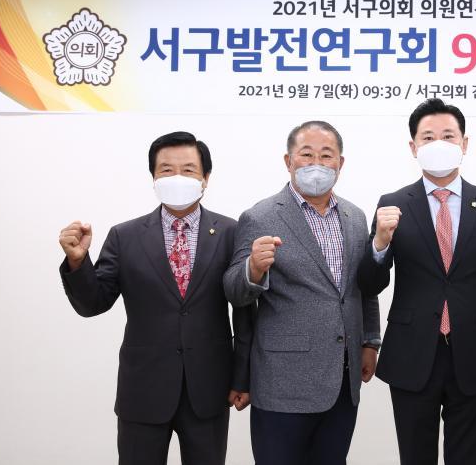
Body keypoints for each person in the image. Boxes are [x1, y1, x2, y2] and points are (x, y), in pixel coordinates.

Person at [58, 131, 253, 465]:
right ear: (153, 177)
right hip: (143, 389)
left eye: (188, 170)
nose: (177, 177)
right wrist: (78, 262)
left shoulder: (231, 232)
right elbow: (94, 303)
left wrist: (242, 376)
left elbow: (245, 310)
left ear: (205, 178)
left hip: (209, 387)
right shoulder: (125, 236)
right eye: (166, 170)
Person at [357, 98, 476, 465]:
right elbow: (369, 284)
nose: (439, 144)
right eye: (428, 137)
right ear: (413, 147)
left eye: (448, 136)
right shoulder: (392, 203)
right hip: (412, 354)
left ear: (464, 143)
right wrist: (379, 243)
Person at [223, 120, 381, 465]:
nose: (316, 164)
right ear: (288, 160)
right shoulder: (260, 217)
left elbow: (364, 286)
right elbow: (234, 290)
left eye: (326, 155)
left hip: (343, 378)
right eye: (307, 154)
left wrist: (370, 341)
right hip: (283, 382)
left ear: (340, 162)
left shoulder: (355, 217)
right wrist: (253, 268)